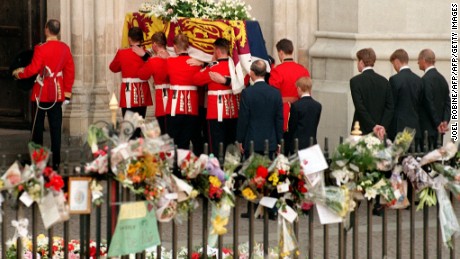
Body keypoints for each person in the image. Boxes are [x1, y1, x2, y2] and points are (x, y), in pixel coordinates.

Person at [12, 19, 75, 170]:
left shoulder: (41, 48)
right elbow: (70, 71)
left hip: (41, 92)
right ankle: (57, 162)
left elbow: (33, 69)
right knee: (56, 128)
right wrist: (66, 93)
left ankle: (38, 162)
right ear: (58, 31)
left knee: (37, 128)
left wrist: (19, 74)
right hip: (57, 92)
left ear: (47, 29)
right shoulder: (65, 48)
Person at [192, 38, 238, 156]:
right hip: (232, 110)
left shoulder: (213, 66)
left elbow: (196, 79)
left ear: (217, 51)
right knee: (231, 145)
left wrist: (206, 64)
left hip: (216, 111)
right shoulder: (235, 66)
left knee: (216, 146)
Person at [269, 39, 310, 154]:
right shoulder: (303, 70)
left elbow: (273, 97)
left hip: (284, 114)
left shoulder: (277, 70)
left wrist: (286, 99)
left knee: (284, 149)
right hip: (301, 113)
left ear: (281, 52)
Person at [109, 27, 153, 136]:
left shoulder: (122, 53)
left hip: (128, 91)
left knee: (128, 126)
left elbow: (113, 68)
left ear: (129, 39)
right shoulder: (146, 54)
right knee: (139, 123)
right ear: (141, 39)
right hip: (142, 91)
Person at [236, 60, 283, 159]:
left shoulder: (247, 93)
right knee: (269, 173)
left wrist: (240, 139)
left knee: (251, 172)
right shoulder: (275, 93)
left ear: (252, 72)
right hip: (270, 142)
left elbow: (243, 118)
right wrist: (279, 141)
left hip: (251, 141)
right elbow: (279, 119)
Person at [166, 34, 202, 151]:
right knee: (185, 142)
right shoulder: (196, 63)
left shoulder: (170, 61)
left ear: (175, 47)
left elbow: (163, 77)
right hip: (191, 108)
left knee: (172, 142)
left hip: (175, 107)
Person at [350, 48, 394, 139]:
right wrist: (382, 127)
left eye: (357, 61)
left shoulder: (355, 81)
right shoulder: (384, 81)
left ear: (361, 62)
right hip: (381, 133)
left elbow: (360, 107)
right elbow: (390, 107)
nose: (357, 64)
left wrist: (373, 126)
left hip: (361, 129)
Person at [418, 49, 451, 150]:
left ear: (423, 60)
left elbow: (429, 102)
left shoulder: (425, 80)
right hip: (440, 130)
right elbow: (448, 102)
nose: (418, 63)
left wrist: (437, 123)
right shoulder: (442, 79)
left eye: (418, 60)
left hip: (428, 129)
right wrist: (445, 121)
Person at [138, 32, 170, 134]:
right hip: (175, 95)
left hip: (161, 96)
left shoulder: (154, 61)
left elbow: (142, 75)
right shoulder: (173, 57)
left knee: (163, 128)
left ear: (155, 45)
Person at [388, 49, 422, 143]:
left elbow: (391, 105)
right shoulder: (418, 80)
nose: (394, 67)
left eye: (393, 64)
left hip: (398, 127)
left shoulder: (394, 79)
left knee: (399, 156)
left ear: (397, 61)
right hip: (415, 127)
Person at [288, 77, 322, 152]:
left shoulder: (296, 106)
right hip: (312, 142)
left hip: (298, 144)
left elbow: (292, 126)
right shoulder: (317, 105)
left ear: (299, 89)